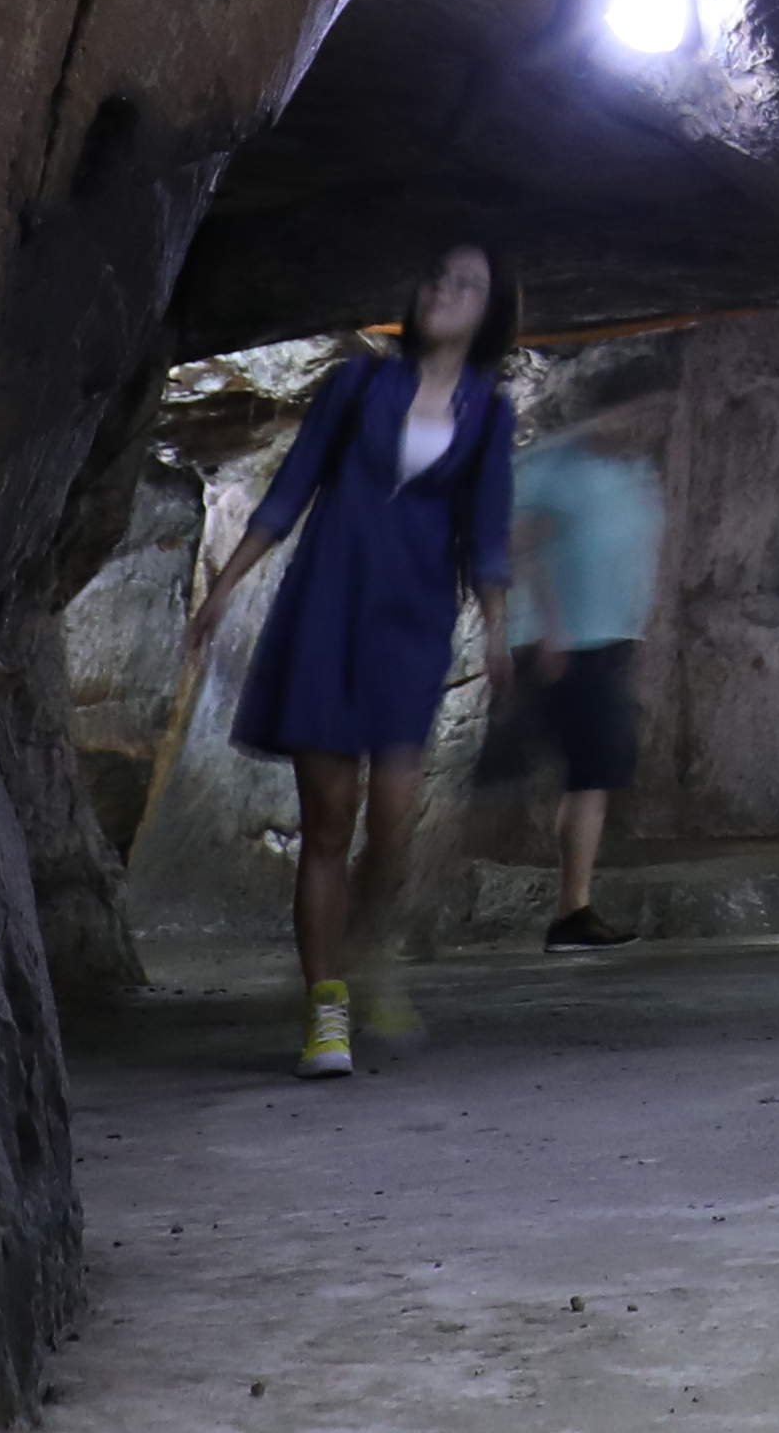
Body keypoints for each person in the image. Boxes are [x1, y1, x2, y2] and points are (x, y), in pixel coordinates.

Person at [185, 241, 521, 1079]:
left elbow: (484, 530)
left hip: (411, 626)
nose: (445, 290)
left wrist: (501, 627)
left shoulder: (489, 409)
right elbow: (292, 487)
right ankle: (324, 1006)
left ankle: (374, 954)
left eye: (467, 285)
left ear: (489, 311)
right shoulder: (359, 383)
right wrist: (224, 586)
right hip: (325, 613)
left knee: (396, 824)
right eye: (438, 276)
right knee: (330, 822)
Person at [510, 391, 662, 947]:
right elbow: (524, 546)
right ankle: (404, 911)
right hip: (561, 644)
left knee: (590, 774)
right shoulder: (556, 464)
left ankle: (573, 910)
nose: (645, 424)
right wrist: (551, 630)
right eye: (638, 410)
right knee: (520, 778)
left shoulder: (634, 468)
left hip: (604, 641)